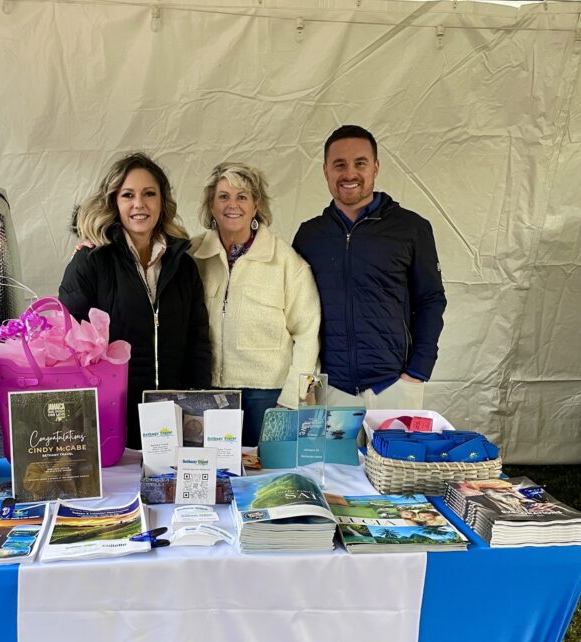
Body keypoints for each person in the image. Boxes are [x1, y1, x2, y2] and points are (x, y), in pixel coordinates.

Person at [59, 152, 212, 448]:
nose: (139, 204)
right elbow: (68, 345)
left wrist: (197, 411)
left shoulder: (183, 265)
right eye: (128, 195)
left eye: (149, 194)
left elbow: (198, 345)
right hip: (111, 423)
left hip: (174, 423)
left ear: (162, 201)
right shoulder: (91, 261)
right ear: (114, 202)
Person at [293, 125, 446, 410]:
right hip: (329, 389)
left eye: (360, 163)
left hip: (394, 387)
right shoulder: (309, 236)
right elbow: (295, 310)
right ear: (326, 171)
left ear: (375, 167)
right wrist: (304, 381)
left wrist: (417, 371)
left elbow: (431, 300)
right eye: (340, 164)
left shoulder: (411, 229)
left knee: (395, 447)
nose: (350, 173)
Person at [191, 162, 321, 446]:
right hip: (207, 391)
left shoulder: (286, 262)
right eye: (223, 196)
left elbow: (308, 334)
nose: (232, 205)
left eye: (242, 196)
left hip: (269, 396)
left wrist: (294, 398)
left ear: (255, 206)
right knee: (213, 470)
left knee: (267, 471)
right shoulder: (193, 256)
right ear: (211, 206)